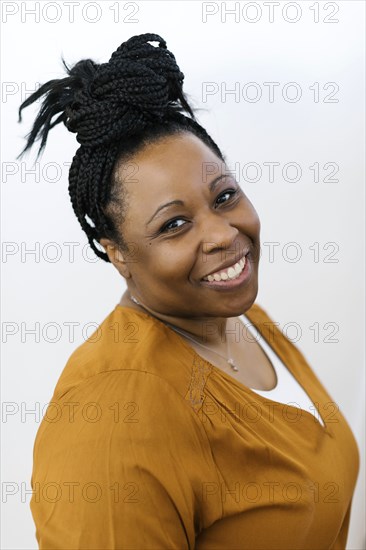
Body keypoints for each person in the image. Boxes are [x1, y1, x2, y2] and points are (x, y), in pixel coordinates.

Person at [18, 33, 359, 550]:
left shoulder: (236, 318)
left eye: (224, 196)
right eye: (174, 224)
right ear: (118, 253)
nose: (222, 234)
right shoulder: (112, 420)